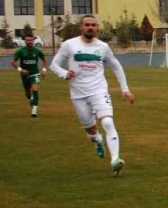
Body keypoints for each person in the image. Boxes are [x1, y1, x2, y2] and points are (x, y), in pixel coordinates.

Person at [49, 14, 134, 175]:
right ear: (81, 27)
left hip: (99, 90)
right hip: (78, 94)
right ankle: (97, 140)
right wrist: (64, 73)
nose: (90, 27)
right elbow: (54, 65)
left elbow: (116, 66)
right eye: (87, 25)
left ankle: (115, 159)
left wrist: (125, 89)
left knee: (108, 122)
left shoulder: (102, 47)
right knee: (91, 129)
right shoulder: (69, 45)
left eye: (93, 25)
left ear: (97, 28)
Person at [11, 32, 48, 117]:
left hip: (35, 74)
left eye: (31, 40)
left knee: (35, 90)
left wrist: (44, 69)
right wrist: (21, 70)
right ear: (25, 41)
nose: (30, 41)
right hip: (25, 75)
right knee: (28, 93)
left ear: (33, 41)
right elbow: (13, 62)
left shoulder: (37, 51)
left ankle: (34, 111)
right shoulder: (20, 51)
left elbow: (44, 59)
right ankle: (31, 99)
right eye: (28, 40)